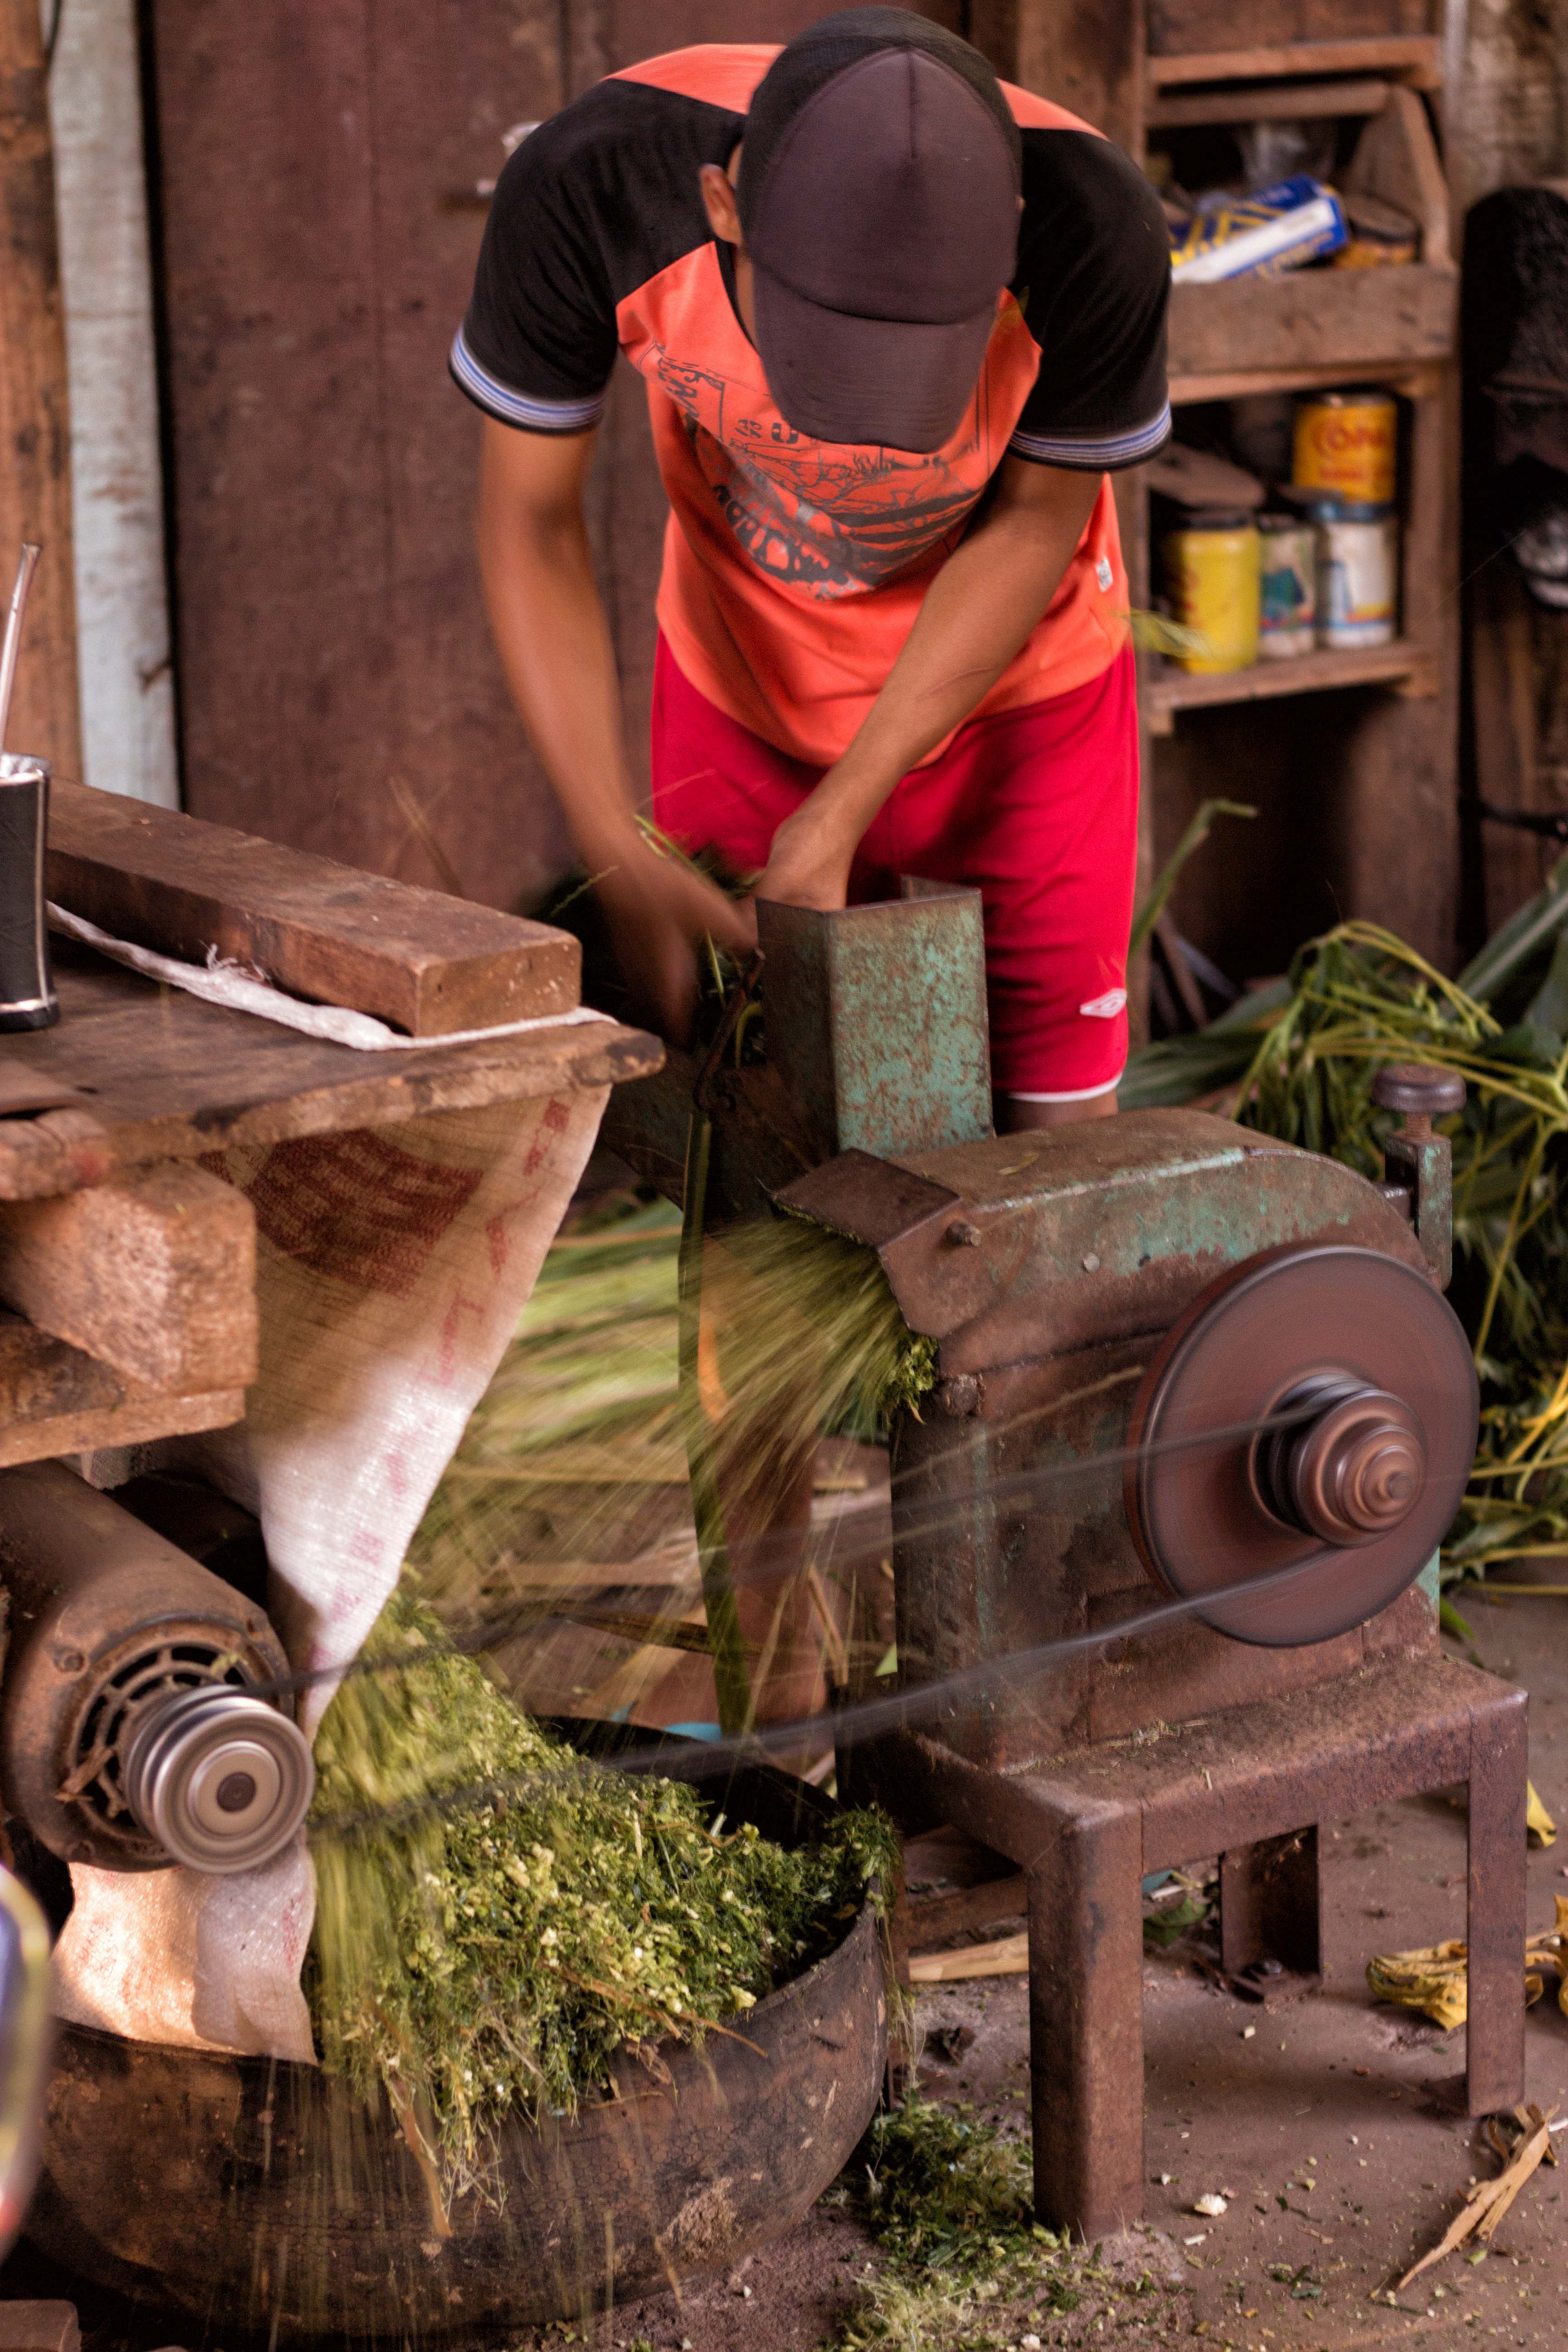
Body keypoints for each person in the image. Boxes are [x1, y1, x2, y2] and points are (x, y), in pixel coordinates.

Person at [455, 6, 1170, 1133]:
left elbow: (1036, 522)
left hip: (1020, 693)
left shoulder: (1097, 227)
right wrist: (613, 845)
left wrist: (841, 814)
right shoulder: (592, 185)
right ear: (724, 203)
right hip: (745, 679)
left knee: (1054, 1156)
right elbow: (531, 521)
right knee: (763, 1131)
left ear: (1012, 235)